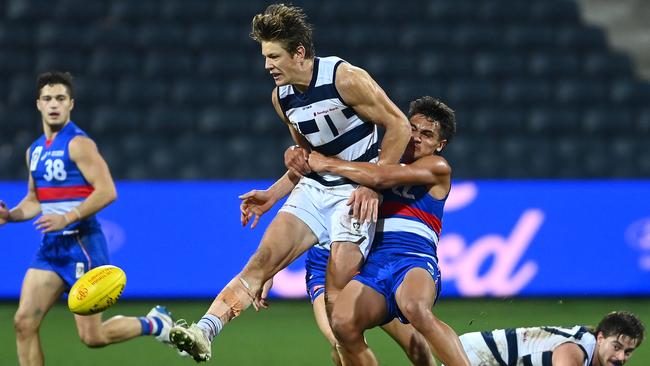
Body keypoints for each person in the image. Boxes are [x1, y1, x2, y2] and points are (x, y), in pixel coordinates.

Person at [169, 3, 411, 362]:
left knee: (338, 301)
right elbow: (308, 161)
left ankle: (410, 331)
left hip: (354, 193)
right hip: (316, 191)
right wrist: (272, 195)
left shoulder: (344, 78)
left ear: (299, 53)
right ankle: (203, 332)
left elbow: (400, 126)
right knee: (261, 262)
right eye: (265, 56)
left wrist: (373, 184)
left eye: (273, 56)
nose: (267, 65)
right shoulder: (282, 98)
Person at [0, 71, 173, 366]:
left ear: (71, 104)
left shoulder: (79, 144)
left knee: (93, 338)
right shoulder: (35, 151)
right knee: (23, 323)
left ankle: (155, 324)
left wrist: (67, 217)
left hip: (83, 246)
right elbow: (34, 200)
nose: (54, 104)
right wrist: (11, 215)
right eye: (47, 98)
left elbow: (107, 191)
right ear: (38, 104)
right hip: (51, 249)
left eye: (60, 98)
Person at [307, 96, 470, 366]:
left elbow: (380, 178)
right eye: (412, 128)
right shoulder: (377, 161)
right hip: (375, 265)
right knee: (343, 323)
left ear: (440, 145)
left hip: (414, 259)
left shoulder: (437, 167)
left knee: (416, 309)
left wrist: (328, 164)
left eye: (427, 134)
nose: (416, 137)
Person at [454, 311, 644, 366]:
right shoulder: (575, 349)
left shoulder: (589, 350)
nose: (621, 358)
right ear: (600, 338)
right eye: (616, 347)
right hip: (475, 357)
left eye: (628, 352)